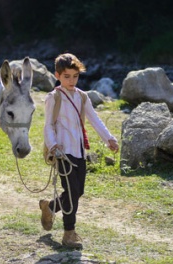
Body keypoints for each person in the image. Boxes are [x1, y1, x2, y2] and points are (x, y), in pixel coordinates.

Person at [40, 53, 119, 249]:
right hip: (62, 152)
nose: (71, 80)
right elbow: (48, 125)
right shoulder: (54, 97)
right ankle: (69, 233)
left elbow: (94, 119)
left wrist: (109, 138)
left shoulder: (82, 97)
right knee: (72, 192)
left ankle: (50, 207)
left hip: (79, 152)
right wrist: (53, 145)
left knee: (78, 191)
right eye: (67, 76)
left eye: (75, 76)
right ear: (58, 75)